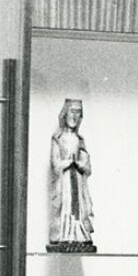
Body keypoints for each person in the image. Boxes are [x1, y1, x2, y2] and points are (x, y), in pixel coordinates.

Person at [48, 98, 96, 251]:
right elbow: (55, 164)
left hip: (77, 181)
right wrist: (67, 162)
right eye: (72, 112)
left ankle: (79, 234)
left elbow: (87, 165)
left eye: (78, 113)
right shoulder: (58, 139)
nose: (75, 116)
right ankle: (63, 234)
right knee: (65, 205)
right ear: (65, 113)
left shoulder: (79, 140)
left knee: (79, 207)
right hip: (64, 182)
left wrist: (80, 164)